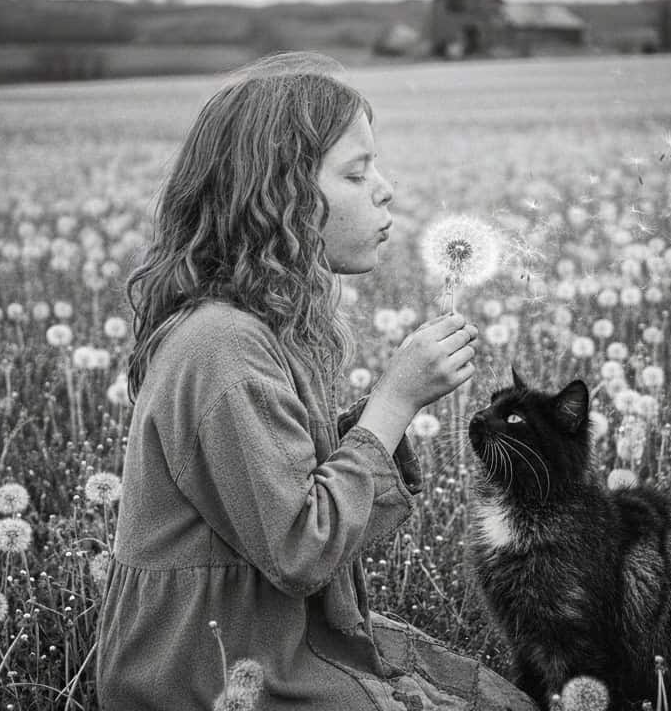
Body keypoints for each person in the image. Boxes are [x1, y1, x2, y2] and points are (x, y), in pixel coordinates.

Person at [95, 52, 538, 710]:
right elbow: (300, 548)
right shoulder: (222, 348)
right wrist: (393, 403)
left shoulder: (259, 327)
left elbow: (278, 484)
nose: (386, 188)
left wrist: (368, 426)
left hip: (260, 639)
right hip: (212, 675)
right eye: (357, 173)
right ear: (280, 198)